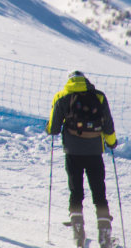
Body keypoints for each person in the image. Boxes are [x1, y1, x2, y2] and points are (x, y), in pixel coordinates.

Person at [48, 70, 118, 248]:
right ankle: (104, 236)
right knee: (99, 192)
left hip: (73, 153)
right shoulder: (99, 96)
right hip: (94, 152)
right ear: (85, 80)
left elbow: (54, 129)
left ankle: (78, 233)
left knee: (76, 191)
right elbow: (108, 125)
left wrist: (48, 128)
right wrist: (111, 142)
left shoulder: (61, 96)